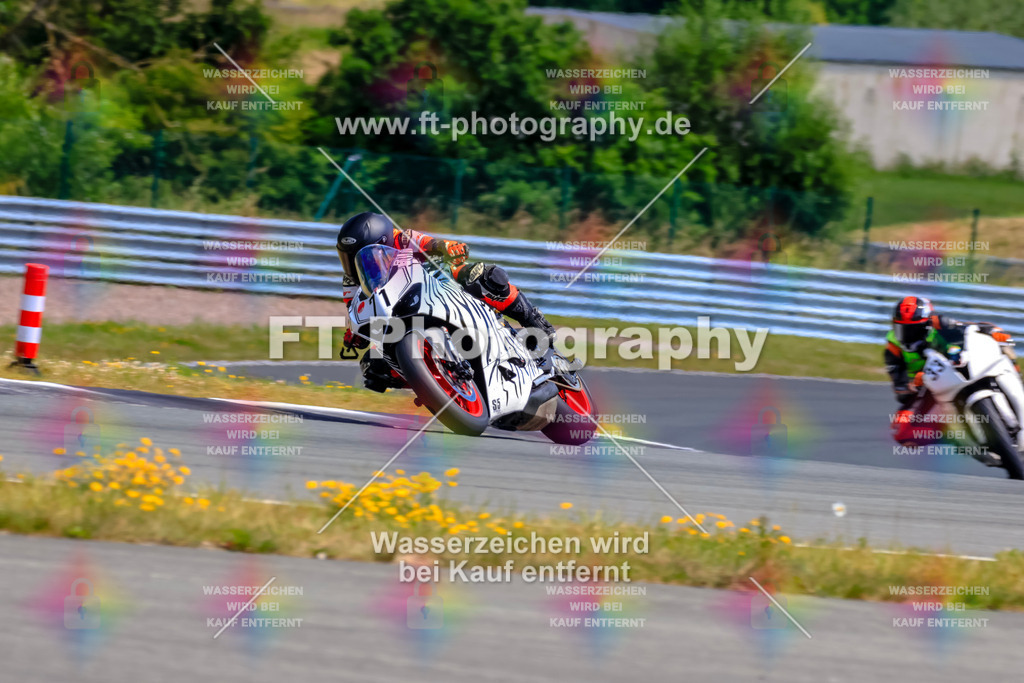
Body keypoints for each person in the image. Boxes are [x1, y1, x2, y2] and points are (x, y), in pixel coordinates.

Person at [335, 211, 557, 392]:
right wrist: (355, 334)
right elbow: (357, 310)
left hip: (434, 289)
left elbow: (432, 244)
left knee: (482, 275)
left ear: (383, 242)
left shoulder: (401, 239)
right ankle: (434, 385)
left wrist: (447, 247)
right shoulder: (351, 281)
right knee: (372, 366)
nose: (353, 265)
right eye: (347, 258)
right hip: (397, 316)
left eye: (358, 256)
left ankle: (534, 320)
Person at [886, 295, 1016, 447]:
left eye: (914, 330)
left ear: (927, 324)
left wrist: (993, 332)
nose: (908, 335)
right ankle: (955, 437)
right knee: (901, 431)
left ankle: (1015, 381)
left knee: (1004, 350)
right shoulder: (893, 346)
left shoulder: (939, 323)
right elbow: (901, 389)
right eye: (902, 329)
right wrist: (912, 386)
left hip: (951, 370)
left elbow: (969, 328)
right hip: (925, 389)